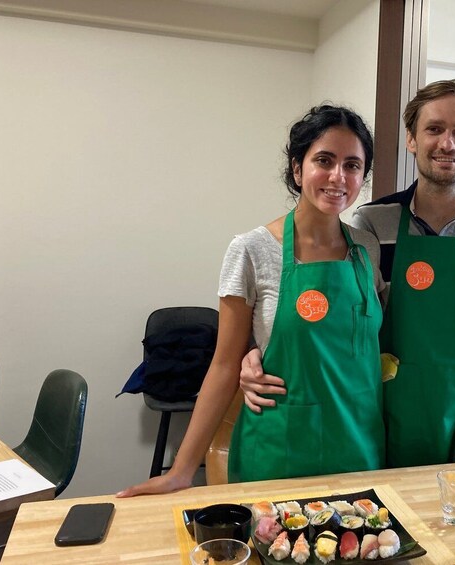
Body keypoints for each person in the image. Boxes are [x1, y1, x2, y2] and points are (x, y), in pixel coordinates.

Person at [241, 79, 455, 469]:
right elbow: (346, 325)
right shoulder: (374, 226)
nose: (448, 144)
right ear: (411, 139)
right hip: (396, 418)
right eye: (434, 129)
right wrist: (254, 354)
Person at [117, 105, 385, 496]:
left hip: (361, 450)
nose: (338, 177)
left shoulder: (367, 248)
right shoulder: (252, 250)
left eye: (352, 165)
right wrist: (182, 470)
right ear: (298, 169)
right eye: (323, 160)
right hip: (281, 452)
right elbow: (224, 365)